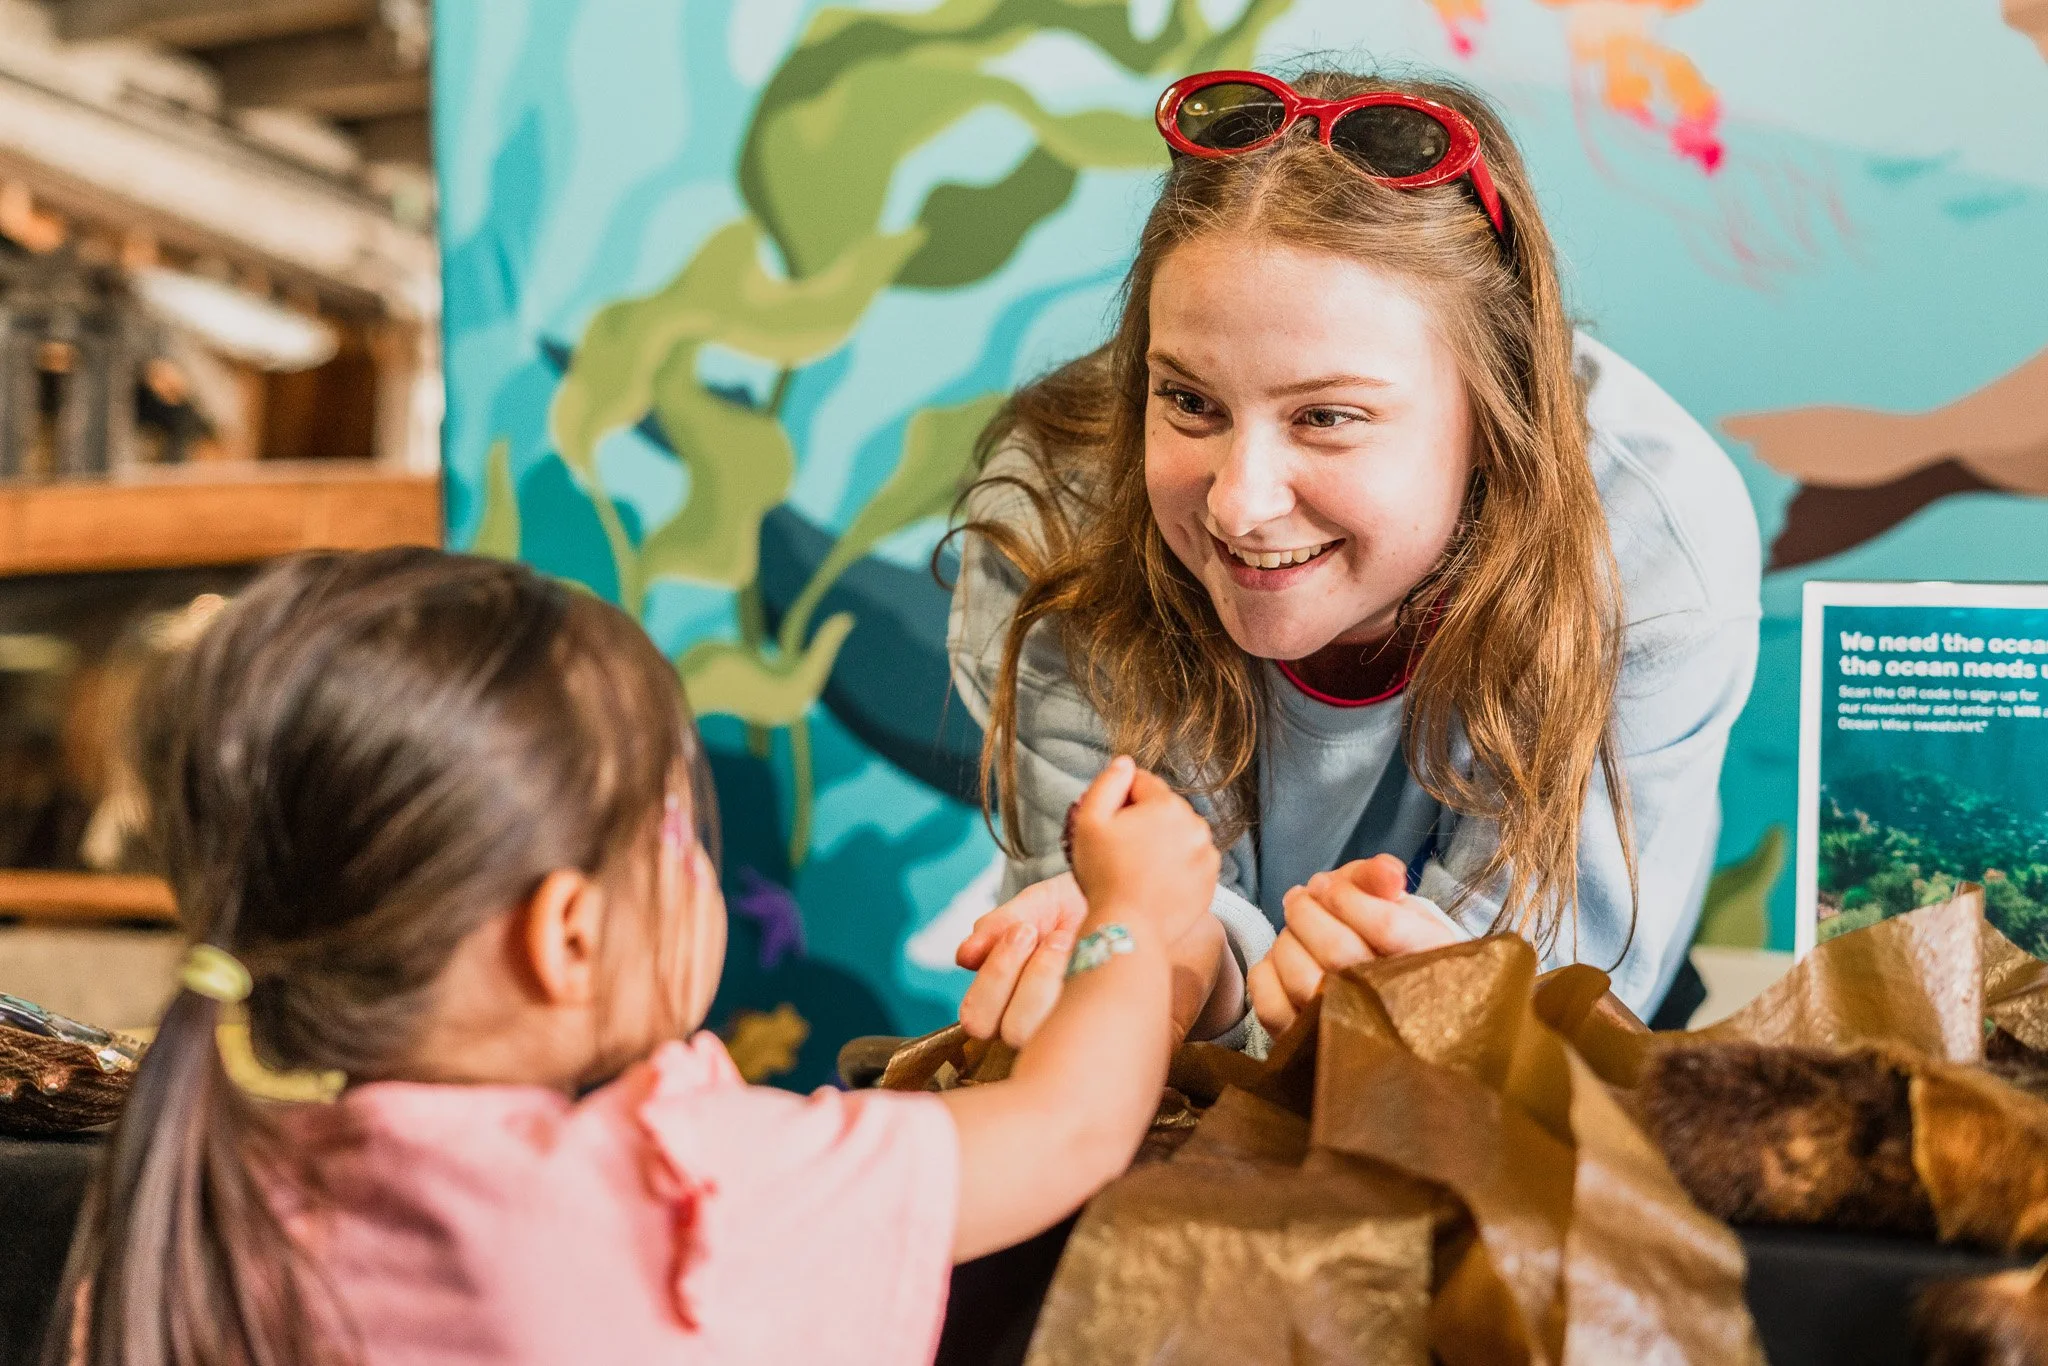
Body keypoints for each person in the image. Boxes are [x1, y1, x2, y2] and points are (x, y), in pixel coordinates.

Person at [51, 548, 1224, 1366]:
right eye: (681, 830)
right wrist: (1132, 908)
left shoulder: (213, 1190)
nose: (700, 862)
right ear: (566, 938)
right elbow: (1070, 1127)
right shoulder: (686, 1192)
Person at [947, 67, 1761, 1051]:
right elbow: (1101, 980)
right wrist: (1189, 969)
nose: (1239, 502)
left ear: (1491, 411)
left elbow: (1547, 1021)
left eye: (1325, 416)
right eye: (1189, 402)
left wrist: (1455, 1010)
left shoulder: (1648, 538)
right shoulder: (1059, 507)